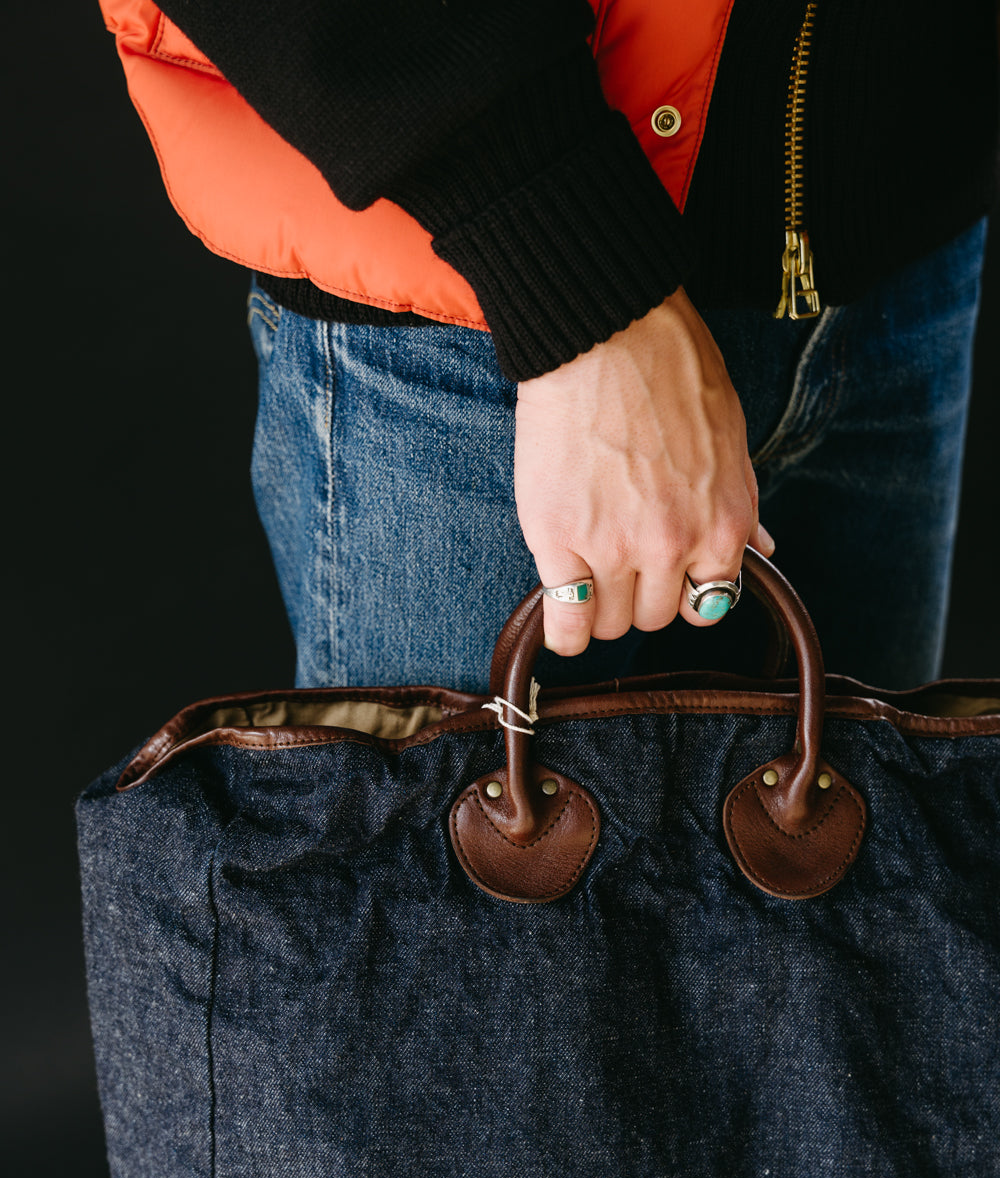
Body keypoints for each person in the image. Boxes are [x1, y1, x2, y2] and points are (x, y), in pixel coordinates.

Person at [100, 0, 998, 692]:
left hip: (902, 259)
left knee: (845, 909)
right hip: (495, 320)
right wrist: (574, 279)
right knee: (468, 920)